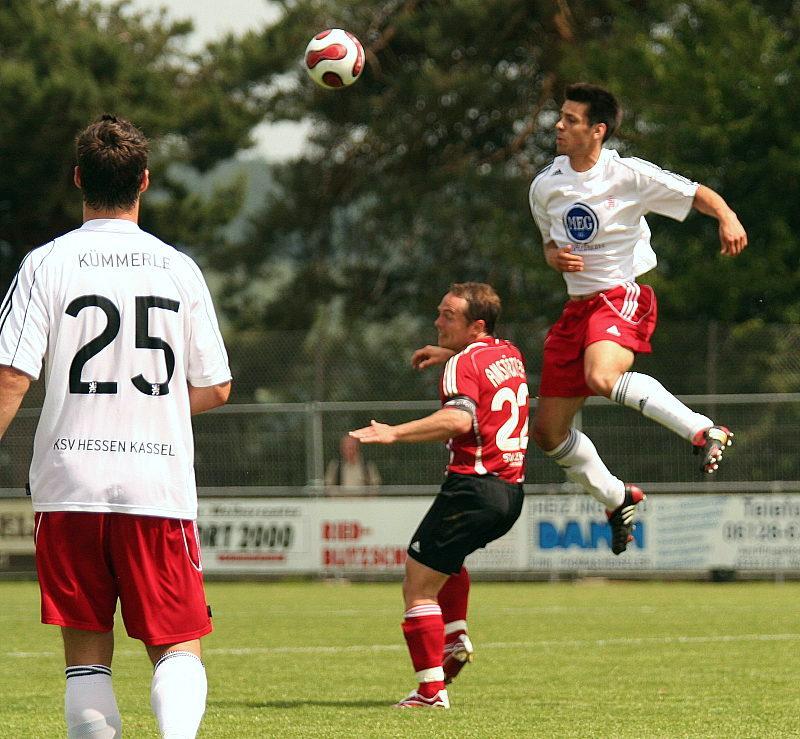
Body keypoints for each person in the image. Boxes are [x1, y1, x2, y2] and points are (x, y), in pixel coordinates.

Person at [0, 115, 231, 738]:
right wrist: (146, 410)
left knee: (85, 658)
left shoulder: (44, 264)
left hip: (69, 481)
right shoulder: (178, 268)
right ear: (145, 182)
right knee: (178, 646)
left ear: (79, 179)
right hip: (155, 483)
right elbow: (215, 386)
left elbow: (10, 380)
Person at [528, 82, 747, 554]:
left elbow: (697, 193)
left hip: (620, 295)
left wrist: (726, 216)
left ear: (598, 130)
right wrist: (555, 259)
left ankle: (703, 430)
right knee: (548, 433)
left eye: (570, 119)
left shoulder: (628, 175)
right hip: (577, 309)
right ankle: (616, 497)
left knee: (602, 375)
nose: (559, 126)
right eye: (560, 117)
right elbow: (549, 242)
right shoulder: (546, 185)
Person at [351, 282, 528, 709]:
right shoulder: (510, 353)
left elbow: (458, 420)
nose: (437, 321)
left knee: (417, 585)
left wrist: (393, 432)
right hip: (510, 492)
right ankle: (455, 636)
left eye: (448, 315)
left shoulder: (462, 366)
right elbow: (482, 366)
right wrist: (448, 353)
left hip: (473, 487)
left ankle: (431, 691)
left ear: (476, 326)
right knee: (443, 564)